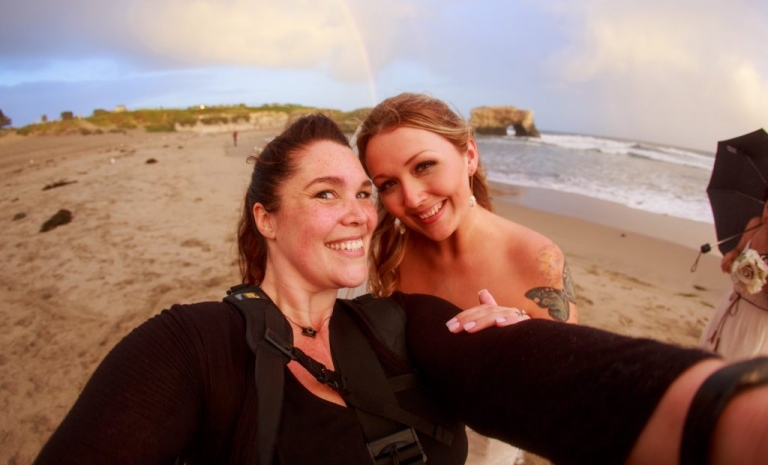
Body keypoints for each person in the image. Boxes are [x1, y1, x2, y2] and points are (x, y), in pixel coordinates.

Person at [33, 114, 768, 465]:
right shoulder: (187, 347)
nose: (366, 208)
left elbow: (566, 381)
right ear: (265, 215)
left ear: (466, 156)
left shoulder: (401, 325)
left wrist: (729, 410)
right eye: (332, 192)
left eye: (362, 192)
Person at [355, 92, 578, 325]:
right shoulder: (393, 256)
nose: (411, 199)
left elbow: (571, 361)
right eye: (388, 184)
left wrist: (524, 336)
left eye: (424, 166)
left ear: (469, 157)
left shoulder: (539, 260)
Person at [700, 186, 768, 359]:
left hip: (756, 321)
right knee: (709, 357)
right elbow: (738, 250)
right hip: (731, 305)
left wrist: (761, 281)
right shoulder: (755, 225)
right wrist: (732, 257)